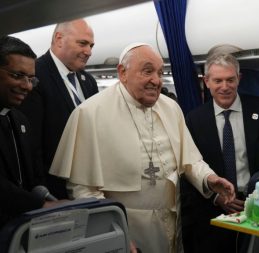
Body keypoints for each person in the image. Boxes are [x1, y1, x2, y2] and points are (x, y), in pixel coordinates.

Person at [48, 42, 235, 253]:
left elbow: (189, 160)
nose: (156, 80)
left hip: (172, 222)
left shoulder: (171, 108)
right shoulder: (91, 113)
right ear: (122, 72)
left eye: (159, 72)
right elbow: (83, 189)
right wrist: (115, 234)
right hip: (126, 227)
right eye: (147, 71)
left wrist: (209, 179)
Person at [181, 52, 259, 253]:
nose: (225, 87)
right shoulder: (194, 119)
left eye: (230, 80)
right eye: (218, 80)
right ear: (206, 82)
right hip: (214, 213)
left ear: (239, 79)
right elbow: (189, 169)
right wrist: (216, 197)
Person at [18, 19, 98, 199]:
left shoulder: (89, 82)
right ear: (59, 38)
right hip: (53, 188)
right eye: (83, 43)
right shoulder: (34, 75)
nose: (89, 51)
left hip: (87, 183)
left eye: (91, 45)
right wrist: (42, 192)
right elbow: (32, 143)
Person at [0, 36, 61, 228]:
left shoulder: (20, 120)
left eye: (31, 79)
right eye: (17, 76)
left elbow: (33, 175)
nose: (27, 86)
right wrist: (40, 204)